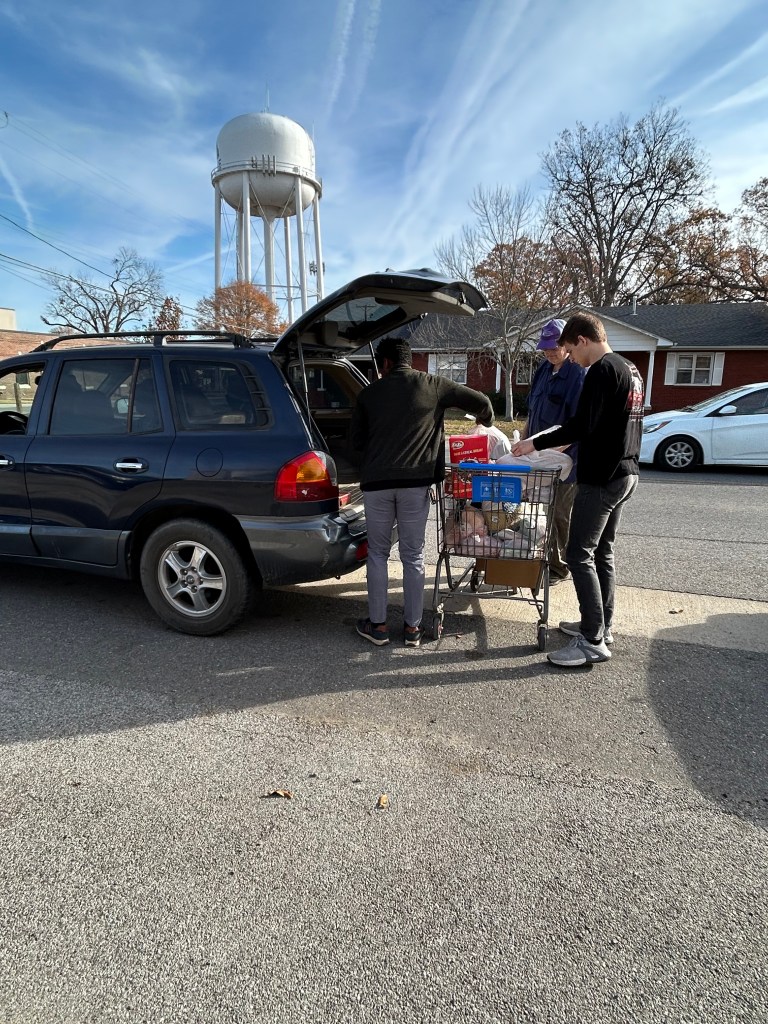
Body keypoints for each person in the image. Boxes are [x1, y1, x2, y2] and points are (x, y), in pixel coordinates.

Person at [511, 312, 644, 667]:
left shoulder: (602, 370)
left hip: (602, 477)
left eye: (571, 349)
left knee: (577, 553)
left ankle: (592, 641)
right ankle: (600, 624)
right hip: (627, 471)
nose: (571, 356)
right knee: (602, 552)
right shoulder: (631, 369)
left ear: (583, 340)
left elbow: (580, 425)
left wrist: (533, 445)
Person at [350, 336, 494, 647]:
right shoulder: (434, 385)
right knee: (413, 556)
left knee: (377, 553)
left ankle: (378, 627)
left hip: (376, 486)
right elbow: (482, 403)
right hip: (416, 485)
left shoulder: (368, 395)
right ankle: (413, 630)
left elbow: (356, 443)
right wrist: (487, 420)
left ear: (385, 363)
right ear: (408, 360)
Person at [523, 318, 585, 583]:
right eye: (545, 348)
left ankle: (563, 567)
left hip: (564, 461)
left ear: (567, 344)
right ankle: (546, 561)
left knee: (559, 513)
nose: (549, 352)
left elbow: (578, 424)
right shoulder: (543, 370)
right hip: (537, 456)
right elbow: (532, 411)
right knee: (539, 513)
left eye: (554, 346)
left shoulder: (577, 373)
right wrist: (525, 444)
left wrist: (553, 453)